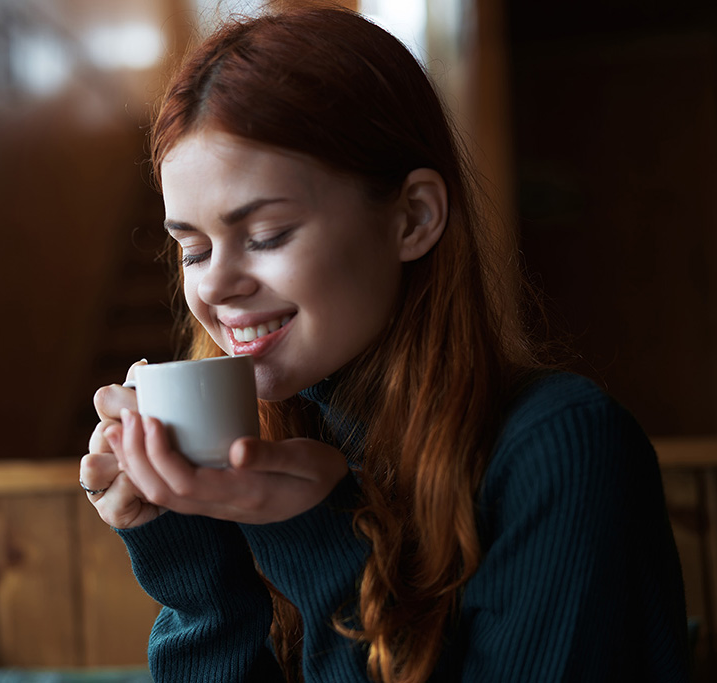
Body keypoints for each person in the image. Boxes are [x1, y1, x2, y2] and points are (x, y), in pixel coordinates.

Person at [79, 6, 689, 682]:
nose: (216, 283)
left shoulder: (563, 448)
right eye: (191, 249)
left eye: (267, 234)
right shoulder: (273, 445)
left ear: (414, 218)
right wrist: (194, 560)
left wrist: (317, 534)